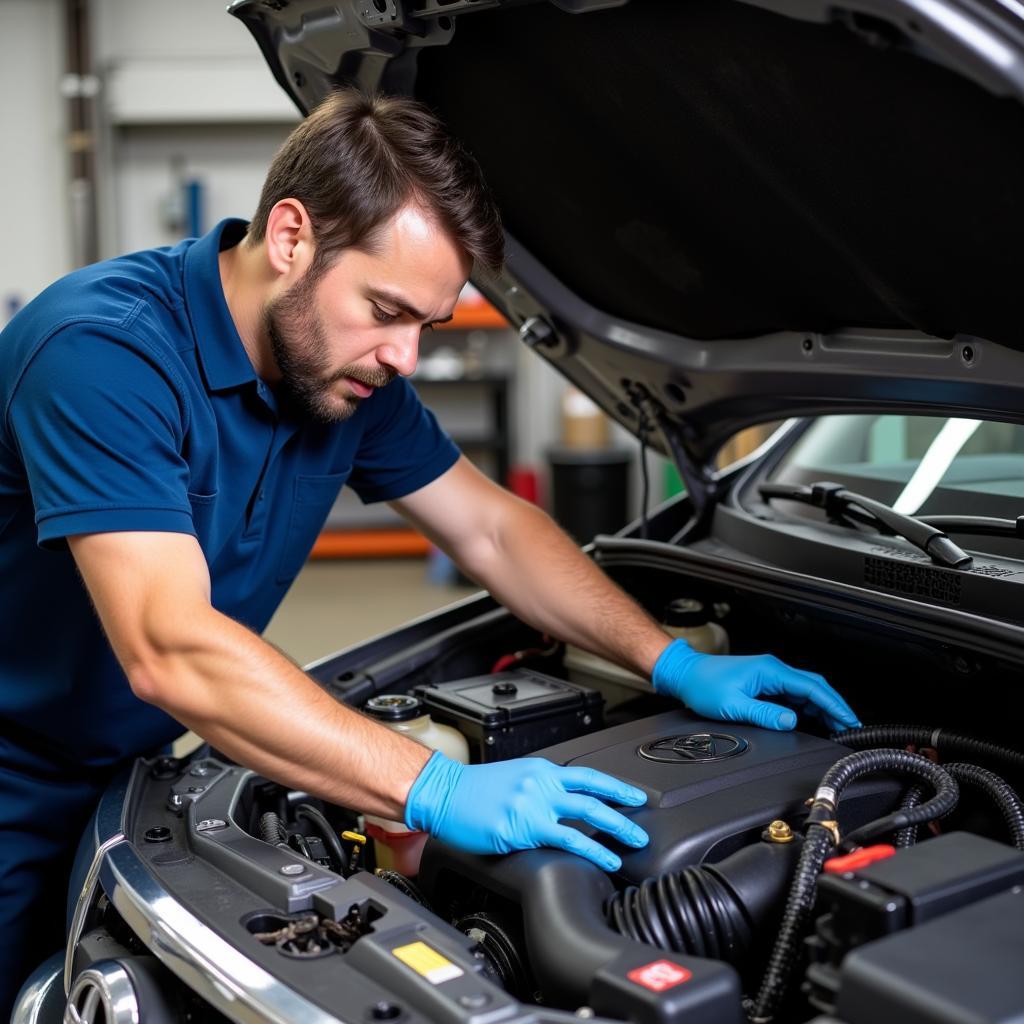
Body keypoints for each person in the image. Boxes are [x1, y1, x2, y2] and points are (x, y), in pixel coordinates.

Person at [0, 89, 859, 1014]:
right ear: (290, 237)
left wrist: (669, 656)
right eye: (386, 309)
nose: (405, 357)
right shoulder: (103, 351)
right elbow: (169, 647)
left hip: (130, 761)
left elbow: (491, 528)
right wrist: (433, 785)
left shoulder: (338, 371)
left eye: (429, 327)